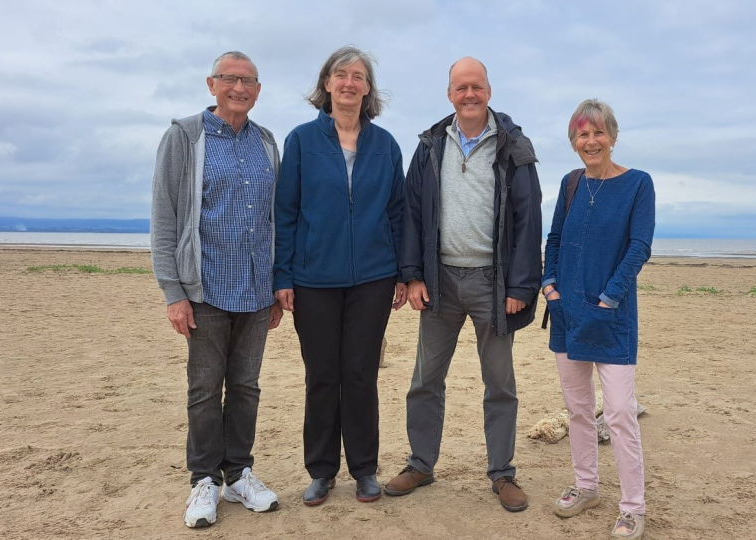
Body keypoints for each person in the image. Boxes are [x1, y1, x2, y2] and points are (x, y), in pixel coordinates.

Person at [384, 57, 542, 512]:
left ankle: (502, 473)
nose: (468, 94)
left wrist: (521, 285)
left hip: (494, 284)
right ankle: (420, 464)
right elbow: (412, 213)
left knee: (500, 383)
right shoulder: (432, 145)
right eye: (460, 87)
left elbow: (528, 218)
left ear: (489, 91)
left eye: (476, 86)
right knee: (425, 380)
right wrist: (411, 275)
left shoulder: (513, 145)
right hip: (439, 281)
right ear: (449, 94)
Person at [151, 51, 283, 528]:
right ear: (212, 84)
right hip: (203, 289)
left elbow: (275, 219)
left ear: (258, 89)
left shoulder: (267, 142)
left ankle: (239, 474)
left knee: (246, 387)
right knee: (205, 388)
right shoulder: (185, 136)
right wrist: (173, 291)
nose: (239, 87)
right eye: (230, 79)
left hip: (254, 289)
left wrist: (276, 283)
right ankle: (203, 481)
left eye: (249, 80)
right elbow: (165, 216)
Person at [273, 46, 406, 506]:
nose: (349, 83)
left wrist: (405, 273)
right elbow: (285, 212)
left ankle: (365, 470)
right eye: (340, 75)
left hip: (374, 277)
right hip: (313, 279)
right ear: (326, 84)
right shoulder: (301, 141)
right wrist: (283, 274)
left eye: (358, 76)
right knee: (323, 375)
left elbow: (397, 212)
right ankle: (322, 471)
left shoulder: (386, 144)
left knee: (361, 373)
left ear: (368, 89)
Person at [542, 99, 654, 540]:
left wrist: (609, 299)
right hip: (567, 312)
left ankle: (632, 507)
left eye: (598, 133)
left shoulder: (638, 184)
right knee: (578, 410)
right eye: (582, 135)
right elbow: (553, 238)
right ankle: (586, 486)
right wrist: (549, 285)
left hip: (612, 317)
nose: (591, 141)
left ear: (612, 136)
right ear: (574, 142)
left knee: (622, 412)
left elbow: (639, 247)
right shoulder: (570, 183)